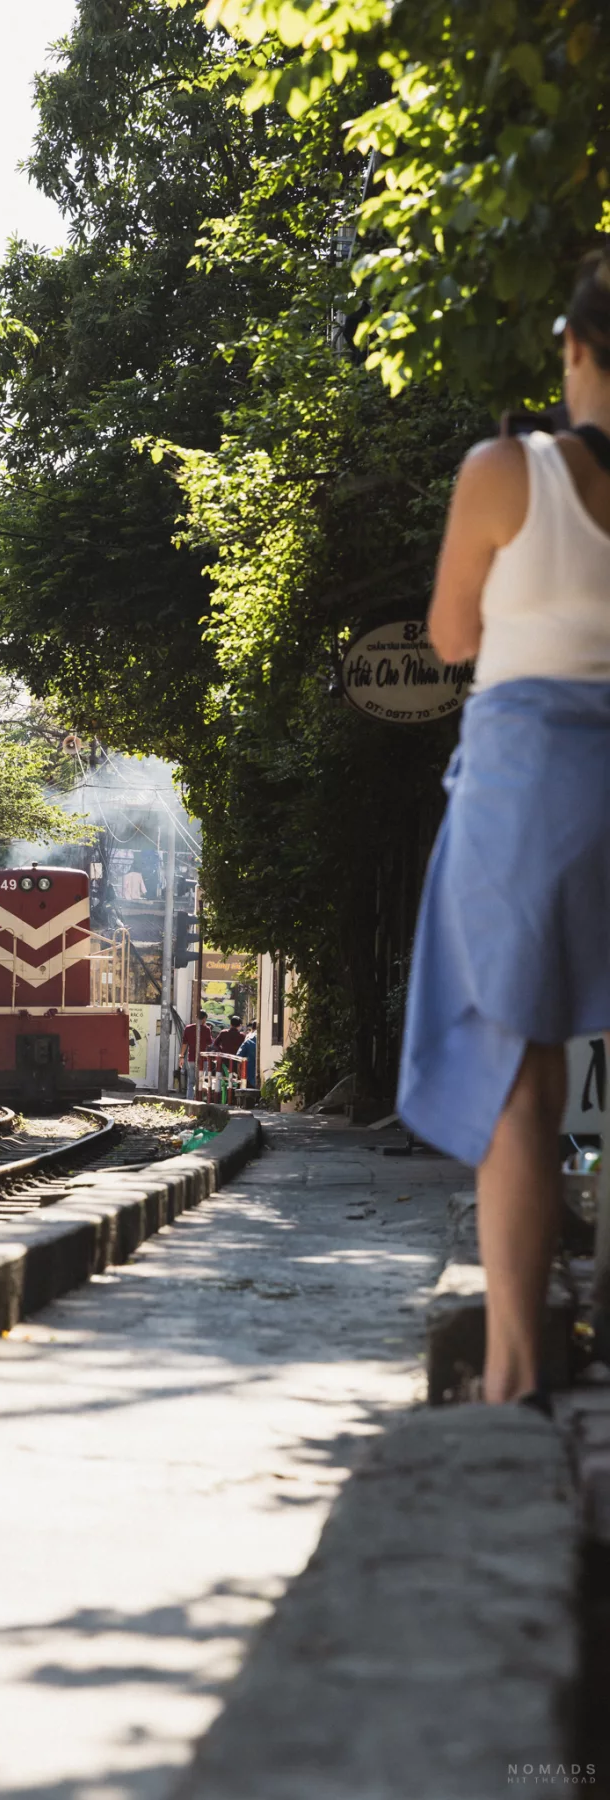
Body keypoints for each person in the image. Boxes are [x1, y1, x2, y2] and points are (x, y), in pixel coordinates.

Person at [398, 245, 610, 1410]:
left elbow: (449, 636)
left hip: (529, 785)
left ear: (573, 347)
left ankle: (521, 1372)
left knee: (523, 1070)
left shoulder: (507, 470)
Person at [180, 1010, 209, 1099]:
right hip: (203, 1059)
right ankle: (199, 1099)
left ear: (196, 1017)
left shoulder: (188, 1028)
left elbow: (184, 1043)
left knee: (191, 1081)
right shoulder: (206, 1029)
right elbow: (209, 1043)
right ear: (204, 1019)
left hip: (191, 1058)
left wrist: (181, 1056)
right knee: (201, 1081)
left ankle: (189, 1099)